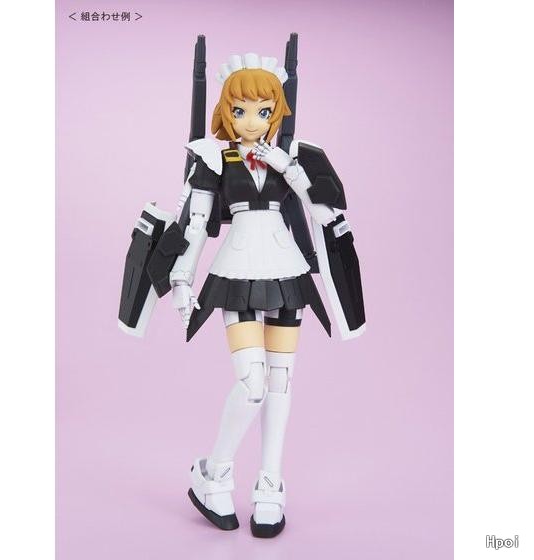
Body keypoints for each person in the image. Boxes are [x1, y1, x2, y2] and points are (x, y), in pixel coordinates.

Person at [171, 53, 348, 538]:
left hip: (286, 269)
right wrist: (183, 277)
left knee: (280, 381)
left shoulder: (288, 158)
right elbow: (197, 224)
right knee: (252, 383)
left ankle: (270, 485)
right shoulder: (213, 158)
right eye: (241, 110)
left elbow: (321, 208)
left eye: (264, 111)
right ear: (226, 111)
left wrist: (288, 167)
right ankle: (213, 472)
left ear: (277, 113)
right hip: (237, 271)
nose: (252, 121)